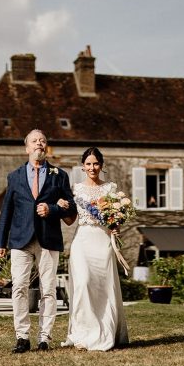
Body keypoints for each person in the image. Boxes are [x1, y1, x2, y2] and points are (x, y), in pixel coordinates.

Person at [0, 129, 76, 353]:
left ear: (46, 147)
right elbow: (7, 211)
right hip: (20, 240)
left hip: (48, 239)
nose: (39, 143)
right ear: (27, 148)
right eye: (35, 141)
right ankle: (22, 337)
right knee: (19, 288)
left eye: (43, 140)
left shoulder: (59, 175)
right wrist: (0, 242)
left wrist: (51, 209)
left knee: (48, 289)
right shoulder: (14, 176)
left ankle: (44, 338)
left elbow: (71, 207)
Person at [58, 147, 129, 351]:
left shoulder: (110, 189)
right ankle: (82, 334)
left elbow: (116, 219)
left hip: (102, 241)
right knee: (83, 284)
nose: (92, 167)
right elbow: (70, 221)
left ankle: (105, 331)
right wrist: (63, 207)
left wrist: (116, 226)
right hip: (82, 241)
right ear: (83, 166)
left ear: (101, 166)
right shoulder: (76, 189)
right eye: (88, 164)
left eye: (96, 164)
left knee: (103, 288)